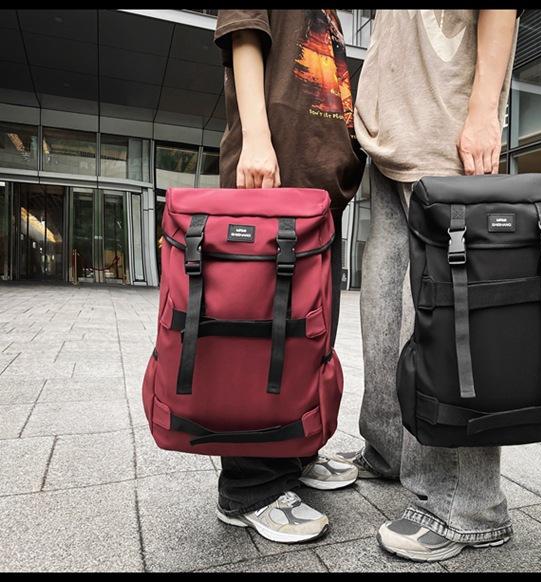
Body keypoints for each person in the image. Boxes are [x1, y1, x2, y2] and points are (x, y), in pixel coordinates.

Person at [333, 9, 521, 562]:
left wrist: (483, 113)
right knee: (385, 319)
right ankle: (388, 450)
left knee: (445, 327)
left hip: (444, 136)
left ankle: (470, 506)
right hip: (389, 144)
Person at [213, 9, 366, 544]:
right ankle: (249, 489)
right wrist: (256, 139)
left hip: (318, 195)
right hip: (274, 179)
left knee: (307, 338)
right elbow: (243, 30)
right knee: (259, 341)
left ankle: (294, 456)